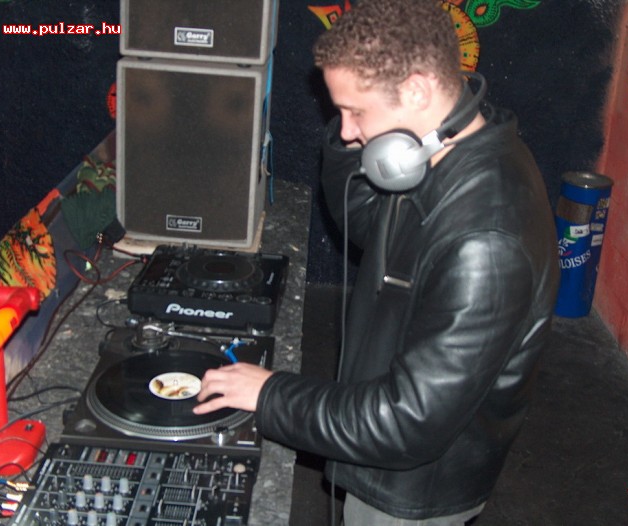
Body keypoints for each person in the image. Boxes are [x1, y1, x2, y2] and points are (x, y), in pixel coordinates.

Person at [193, 0, 560, 524]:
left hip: (407, 492)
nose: (345, 130)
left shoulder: (487, 241)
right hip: (377, 446)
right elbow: (368, 224)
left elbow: (407, 422)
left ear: (416, 90)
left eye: (356, 112)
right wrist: (358, 148)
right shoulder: (438, 156)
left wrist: (270, 394)